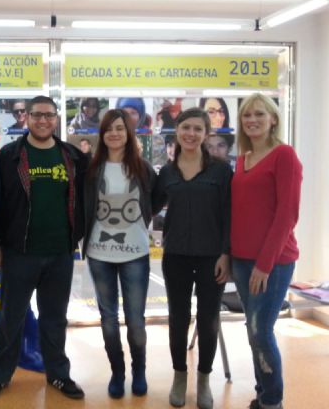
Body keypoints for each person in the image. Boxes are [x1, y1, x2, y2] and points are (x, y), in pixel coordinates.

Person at [0, 96, 89, 403]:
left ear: (56, 119)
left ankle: (58, 373)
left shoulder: (71, 156)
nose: (43, 121)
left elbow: (84, 198)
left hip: (60, 252)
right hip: (19, 253)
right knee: (11, 318)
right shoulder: (10, 156)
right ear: (26, 117)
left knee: (55, 318)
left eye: (49, 116)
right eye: (37, 115)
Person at [152, 107, 232, 409]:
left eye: (198, 129)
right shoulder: (167, 173)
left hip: (213, 256)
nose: (191, 134)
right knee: (178, 318)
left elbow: (229, 216)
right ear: (177, 131)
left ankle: (204, 380)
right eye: (186, 128)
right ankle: (179, 376)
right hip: (175, 257)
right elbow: (149, 206)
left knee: (209, 319)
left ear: (206, 134)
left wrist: (226, 253)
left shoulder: (222, 172)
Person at [231, 94, 302, 409]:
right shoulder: (242, 158)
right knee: (252, 328)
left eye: (259, 114)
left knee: (261, 329)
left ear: (273, 118)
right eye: (247, 115)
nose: (252, 120)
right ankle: (263, 392)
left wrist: (264, 264)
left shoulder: (284, 155)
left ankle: (272, 401)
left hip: (272, 263)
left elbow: (287, 215)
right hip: (241, 260)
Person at [82, 109, 156, 399]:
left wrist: (140, 225)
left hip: (135, 252)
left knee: (135, 321)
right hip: (99, 253)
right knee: (108, 320)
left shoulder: (143, 169)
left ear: (129, 134)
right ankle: (118, 371)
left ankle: (139, 370)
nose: (114, 133)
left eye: (120, 129)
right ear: (102, 134)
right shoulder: (91, 170)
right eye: (109, 129)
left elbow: (155, 200)